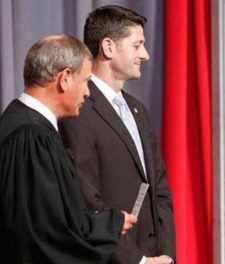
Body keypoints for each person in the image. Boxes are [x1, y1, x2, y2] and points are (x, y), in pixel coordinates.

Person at [0, 35, 137, 263]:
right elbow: (46, 237)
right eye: (85, 81)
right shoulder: (32, 137)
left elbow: (53, 218)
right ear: (64, 79)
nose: (88, 93)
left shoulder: (19, 123)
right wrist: (110, 226)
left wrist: (108, 223)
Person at [59, 5, 175, 264]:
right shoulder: (78, 109)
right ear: (109, 47)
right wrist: (138, 261)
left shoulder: (138, 110)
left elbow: (159, 188)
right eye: (137, 45)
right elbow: (87, 199)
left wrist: (166, 254)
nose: (145, 55)